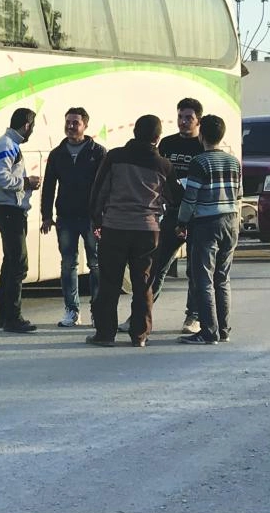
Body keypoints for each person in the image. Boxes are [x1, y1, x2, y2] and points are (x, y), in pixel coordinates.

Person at [86, 115, 181, 347]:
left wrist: (97, 220)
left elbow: (99, 191)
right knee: (143, 284)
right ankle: (139, 335)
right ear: (157, 137)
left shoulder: (115, 157)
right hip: (148, 231)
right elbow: (175, 198)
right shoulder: (164, 166)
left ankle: (105, 334)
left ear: (134, 132)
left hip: (114, 228)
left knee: (109, 283)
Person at [120, 97, 205, 334]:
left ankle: (193, 317)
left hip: (197, 215)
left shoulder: (202, 145)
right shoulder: (166, 144)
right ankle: (138, 316)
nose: (183, 122)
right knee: (156, 267)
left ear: (198, 120)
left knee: (196, 269)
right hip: (172, 213)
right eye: (180, 117)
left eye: (188, 118)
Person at [176, 115, 242, 345]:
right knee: (222, 278)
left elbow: (190, 197)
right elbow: (239, 195)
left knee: (203, 279)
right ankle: (223, 330)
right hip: (231, 221)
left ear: (201, 134)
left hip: (206, 223)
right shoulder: (234, 162)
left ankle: (208, 332)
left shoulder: (200, 162)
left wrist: (181, 222)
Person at [40, 107, 107, 328]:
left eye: (75, 123)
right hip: (66, 217)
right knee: (68, 263)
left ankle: (98, 310)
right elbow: (49, 185)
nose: (70, 126)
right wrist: (46, 215)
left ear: (85, 126)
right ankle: (71, 310)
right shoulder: (57, 153)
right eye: (68, 122)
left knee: (96, 264)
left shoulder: (97, 152)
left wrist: (103, 215)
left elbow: (106, 185)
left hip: (91, 218)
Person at [0, 108, 41, 333]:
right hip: (10, 211)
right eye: (33, 127)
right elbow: (2, 180)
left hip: (9, 210)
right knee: (19, 265)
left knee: (10, 263)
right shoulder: (7, 145)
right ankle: (13, 317)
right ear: (27, 126)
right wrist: (26, 182)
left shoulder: (9, 144)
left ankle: (4, 315)